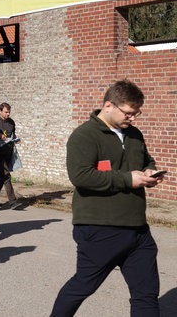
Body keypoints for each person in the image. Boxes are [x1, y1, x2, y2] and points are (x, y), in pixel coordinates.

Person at [51, 80, 162, 316]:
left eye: (136, 113)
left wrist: (150, 171)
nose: (133, 119)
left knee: (146, 294)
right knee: (83, 286)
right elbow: (80, 176)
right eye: (129, 113)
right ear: (109, 105)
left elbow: (146, 160)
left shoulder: (134, 134)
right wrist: (127, 179)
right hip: (99, 227)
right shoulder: (84, 136)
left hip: (138, 229)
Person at [0, 103, 23, 209]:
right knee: (6, 176)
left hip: (8, 152)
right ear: (0, 111)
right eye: (6, 112)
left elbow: (12, 135)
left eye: (9, 112)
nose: (8, 114)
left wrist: (16, 139)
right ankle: (13, 202)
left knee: (0, 177)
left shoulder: (11, 122)